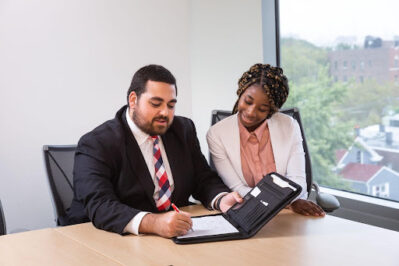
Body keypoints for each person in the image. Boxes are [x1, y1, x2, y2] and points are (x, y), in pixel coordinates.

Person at [66, 64, 242, 237]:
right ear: (133, 100)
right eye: (156, 104)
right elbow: (101, 205)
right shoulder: (97, 143)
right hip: (100, 237)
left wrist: (221, 198)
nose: (165, 113)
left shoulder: (182, 129)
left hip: (170, 237)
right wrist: (153, 223)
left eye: (171, 105)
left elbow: (202, 178)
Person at [206, 63, 325, 217]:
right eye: (247, 102)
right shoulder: (217, 134)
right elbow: (237, 187)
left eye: (262, 109)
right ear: (240, 93)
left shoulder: (289, 126)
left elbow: (298, 180)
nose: (250, 112)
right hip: (248, 212)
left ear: (272, 110)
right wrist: (288, 202)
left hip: (286, 216)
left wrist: (288, 202)